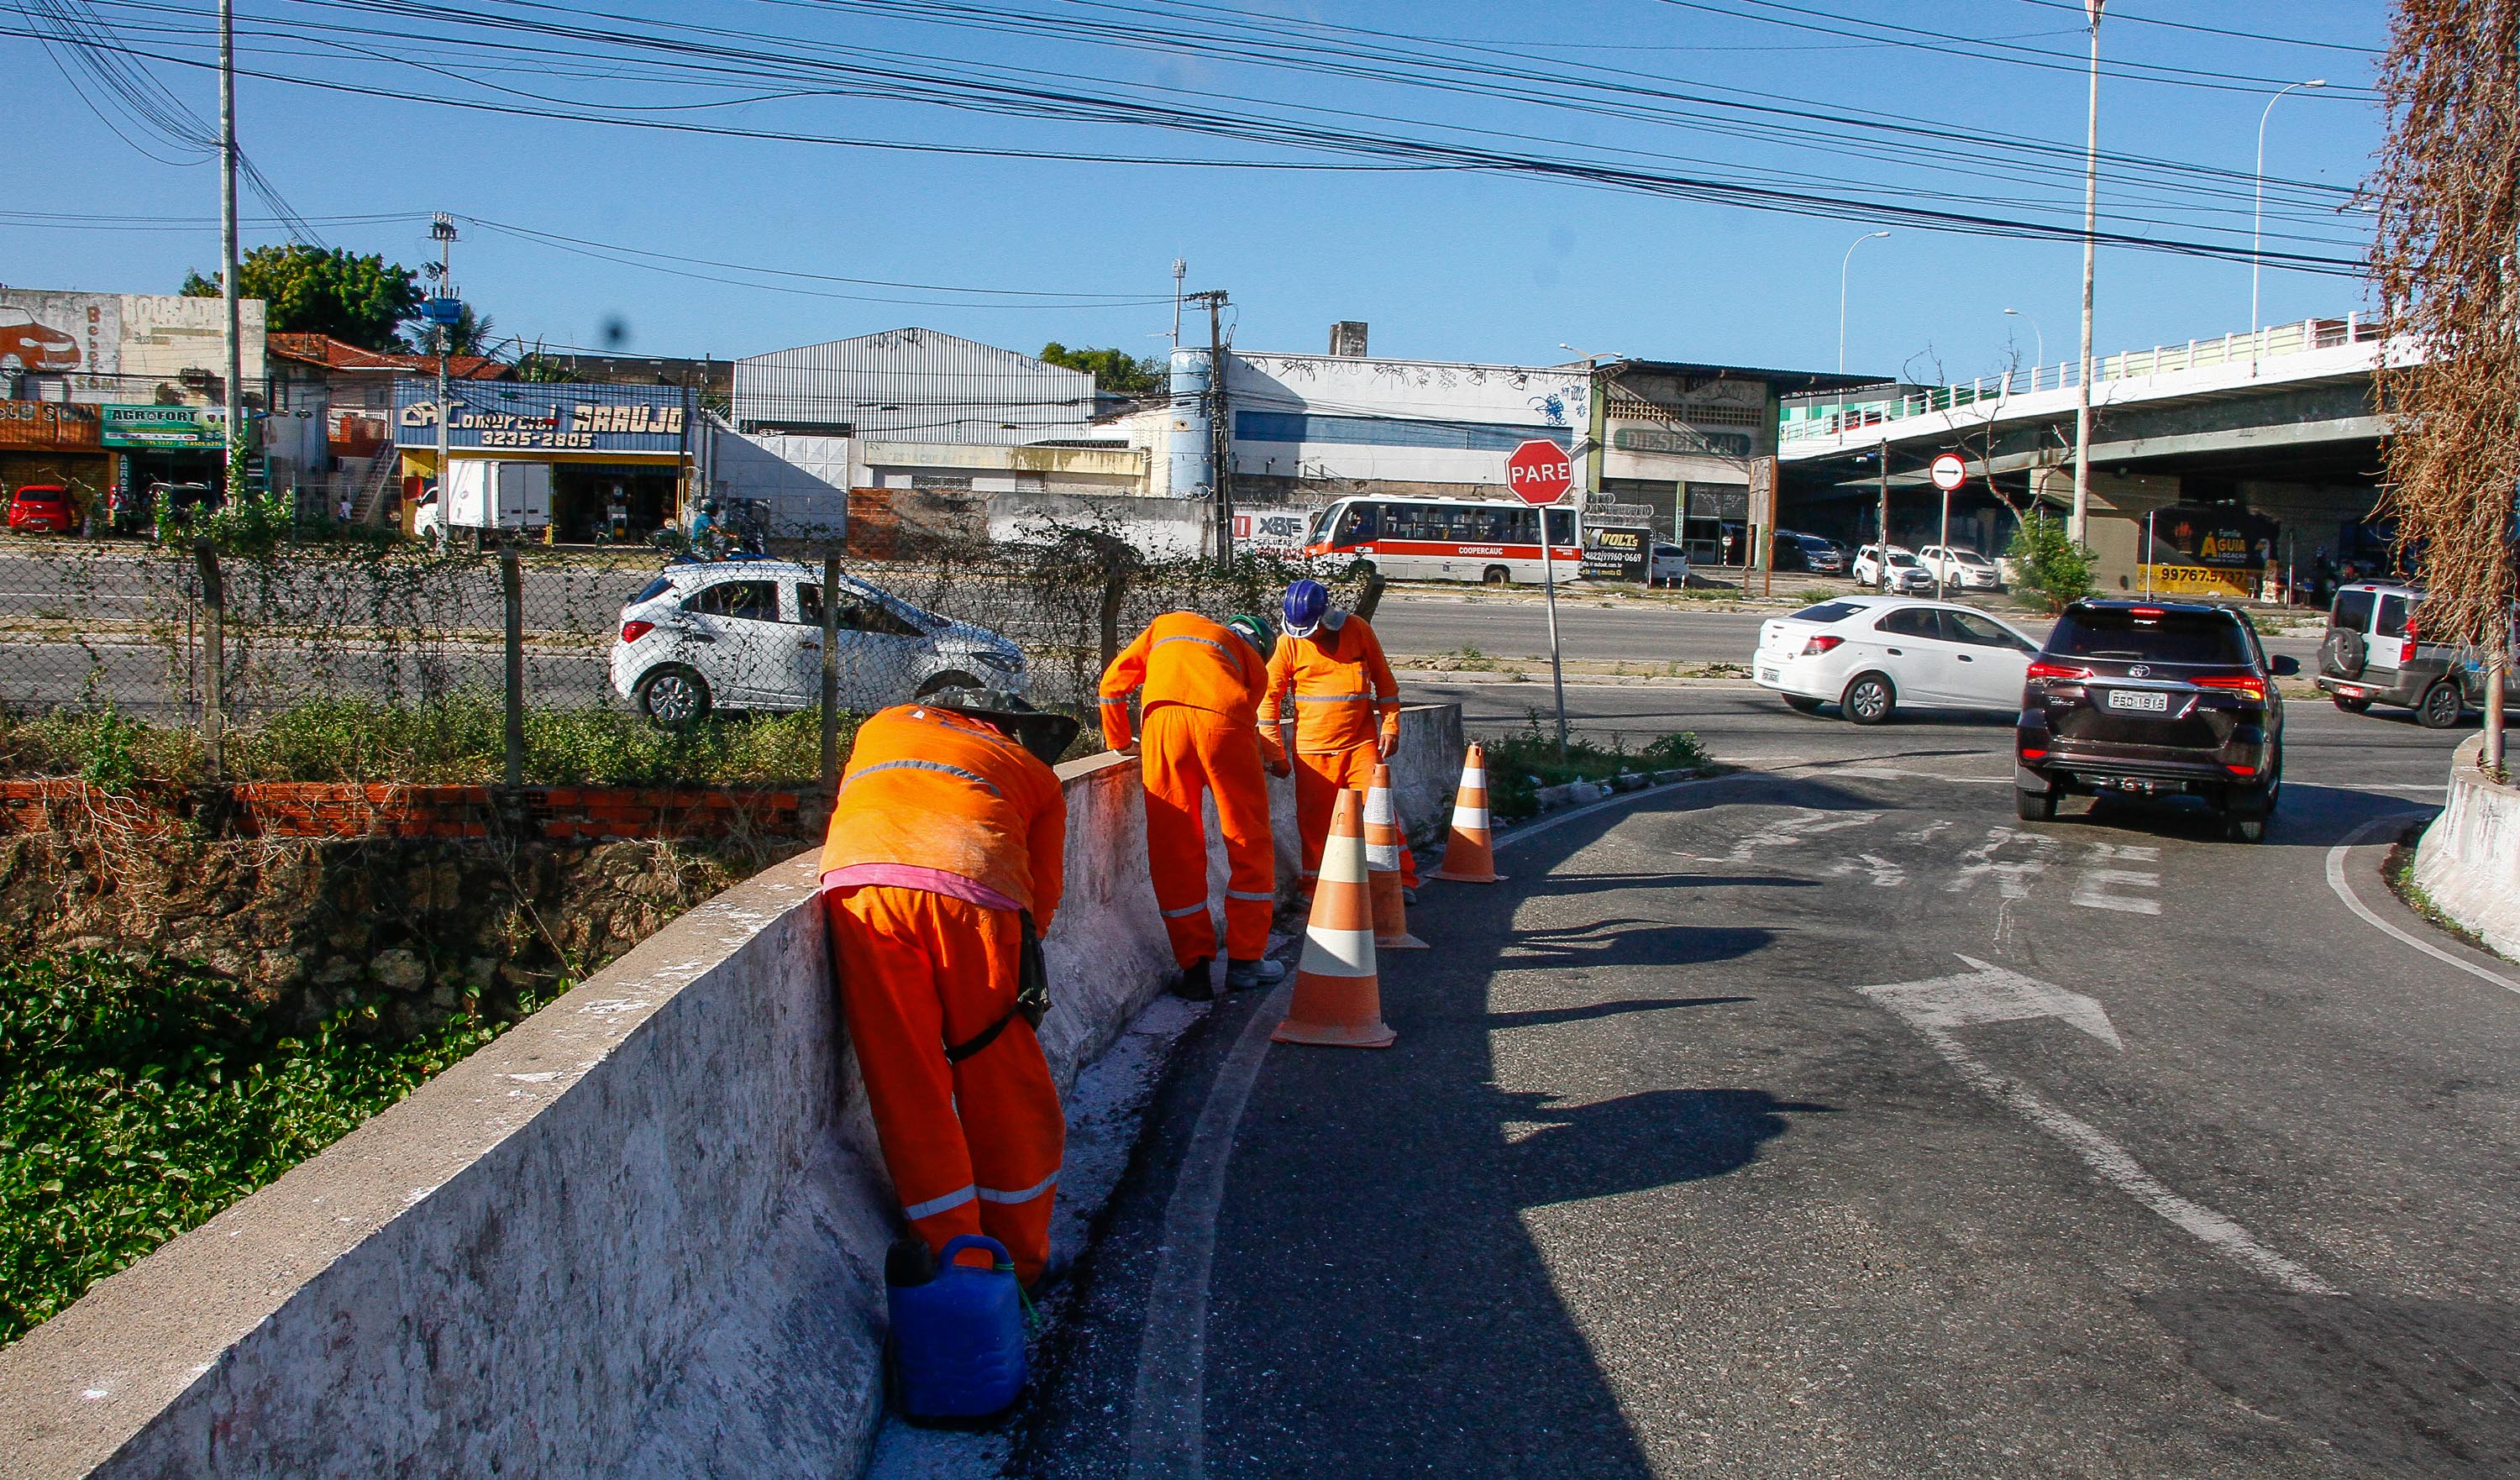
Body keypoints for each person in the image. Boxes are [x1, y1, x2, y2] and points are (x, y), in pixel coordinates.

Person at [820, 692, 1077, 1288]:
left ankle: (956, 1256)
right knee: (1002, 1077)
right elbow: (1043, 897)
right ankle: (1021, 1258)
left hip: (859, 887)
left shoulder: (881, 723)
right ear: (1004, 726)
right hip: (975, 890)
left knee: (908, 1083)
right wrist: (1014, 969)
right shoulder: (1035, 775)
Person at [1099, 611, 1289, 1000]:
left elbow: (1111, 686)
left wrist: (1118, 740)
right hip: (1225, 726)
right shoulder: (1254, 665)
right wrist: (1272, 757)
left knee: (1175, 850)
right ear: (1260, 647)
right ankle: (1246, 963)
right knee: (1248, 843)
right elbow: (1247, 720)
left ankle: (1195, 970)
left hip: (1162, 726)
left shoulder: (1170, 624)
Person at [1260, 578, 1416, 896]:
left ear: (1326, 617)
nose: (1308, 637)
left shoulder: (1358, 630)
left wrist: (1391, 726)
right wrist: (1275, 753)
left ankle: (1397, 881)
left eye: (1312, 629)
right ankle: (1317, 891)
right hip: (1312, 752)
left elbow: (1386, 684)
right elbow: (1268, 700)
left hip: (1361, 745)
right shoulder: (1288, 644)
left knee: (1379, 814)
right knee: (1316, 825)